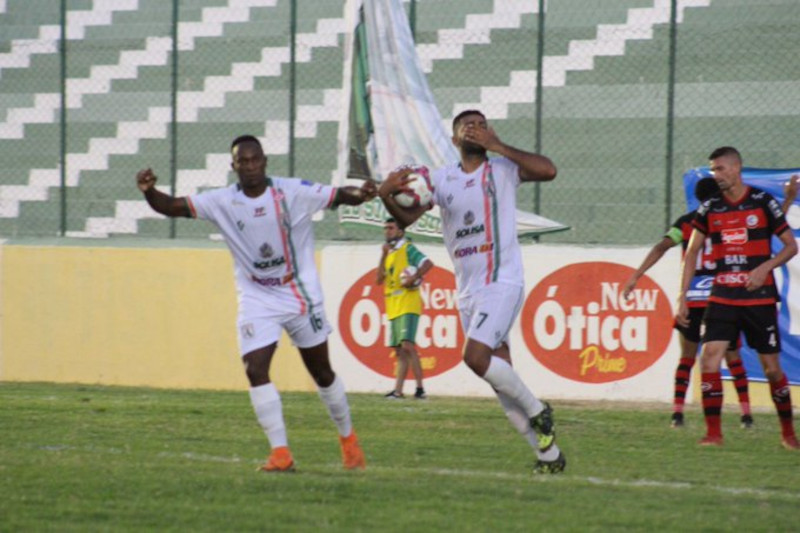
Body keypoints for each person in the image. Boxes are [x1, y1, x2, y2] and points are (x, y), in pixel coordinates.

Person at [136, 134, 377, 471]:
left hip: (299, 294)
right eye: (242, 161)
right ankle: (281, 453)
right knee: (255, 368)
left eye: (254, 160)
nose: (249, 166)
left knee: (321, 373)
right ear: (233, 166)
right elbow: (172, 206)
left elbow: (339, 196)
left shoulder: (292, 192)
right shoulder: (221, 201)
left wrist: (362, 193)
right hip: (257, 297)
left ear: (264, 161)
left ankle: (348, 440)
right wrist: (149, 192)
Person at [377, 109, 565, 474]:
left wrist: (498, 146)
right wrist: (387, 194)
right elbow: (405, 219)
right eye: (467, 126)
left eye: (481, 124)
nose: (475, 129)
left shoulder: (504, 169)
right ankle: (549, 457)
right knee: (501, 383)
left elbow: (549, 170)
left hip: (502, 282)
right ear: (454, 139)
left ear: (489, 132)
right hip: (468, 292)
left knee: (475, 357)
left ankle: (539, 410)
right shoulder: (441, 178)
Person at [676, 146, 798, 449]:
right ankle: (713, 434)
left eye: (719, 169)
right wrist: (682, 296)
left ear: (735, 168)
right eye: (713, 170)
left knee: (772, 370)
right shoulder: (710, 208)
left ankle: (788, 435)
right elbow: (691, 252)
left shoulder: (761, 202)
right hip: (722, 297)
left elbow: (789, 246)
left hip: (759, 299)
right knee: (710, 360)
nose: (715, 175)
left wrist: (764, 268)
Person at [623, 178, 756, 429]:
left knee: (687, 357)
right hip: (721, 297)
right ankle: (746, 415)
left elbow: (662, 247)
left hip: (693, 297)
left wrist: (636, 275)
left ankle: (677, 414)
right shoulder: (727, 219)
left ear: (697, 197)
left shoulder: (686, 223)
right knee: (733, 356)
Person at [377, 217, 433, 399]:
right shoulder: (390, 252)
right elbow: (379, 279)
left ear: (401, 231)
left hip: (408, 304)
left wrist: (414, 276)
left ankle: (420, 389)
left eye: (391, 228)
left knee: (408, 346)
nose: (387, 231)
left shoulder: (407, 249)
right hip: (393, 306)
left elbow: (428, 263)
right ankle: (398, 391)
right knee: (400, 350)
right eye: (386, 228)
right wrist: (383, 255)